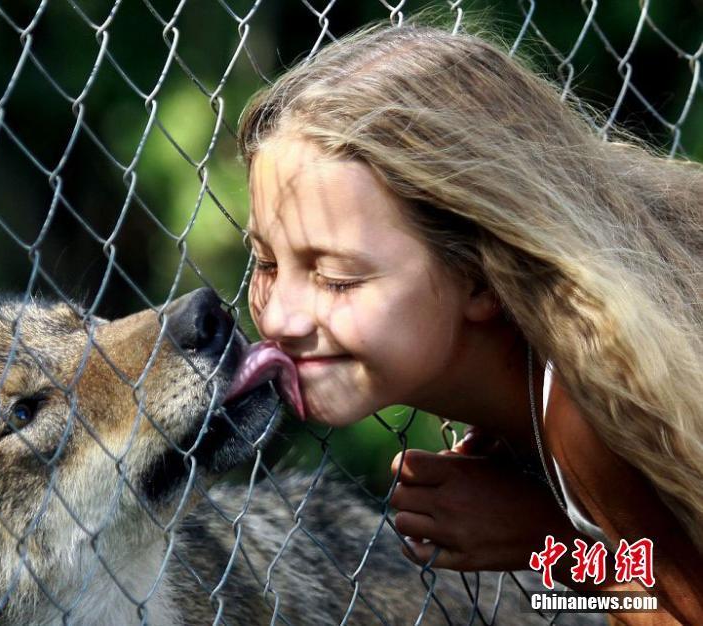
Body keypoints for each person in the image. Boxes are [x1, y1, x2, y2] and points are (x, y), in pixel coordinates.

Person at [236, 22, 703, 624]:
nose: (279, 316)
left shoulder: (590, 405)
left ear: (481, 276)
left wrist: (549, 540)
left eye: (338, 279)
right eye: (267, 264)